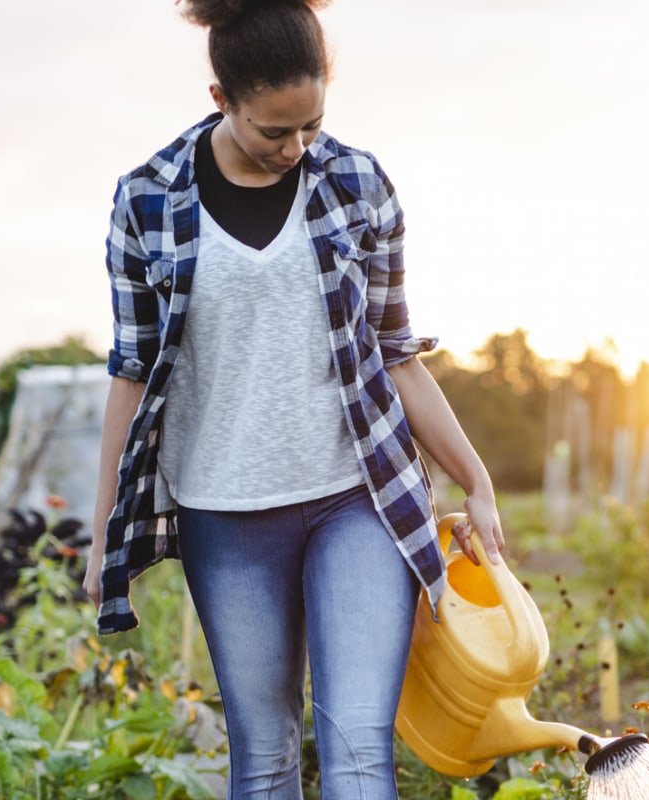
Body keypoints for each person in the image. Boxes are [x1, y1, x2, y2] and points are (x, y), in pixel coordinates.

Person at [80, 1, 506, 797]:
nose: (296, 147)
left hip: (357, 498)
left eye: (310, 124)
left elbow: (397, 353)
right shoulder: (147, 200)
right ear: (222, 100)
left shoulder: (357, 184)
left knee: (356, 749)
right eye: (273, 130)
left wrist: (476, 480)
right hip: (225, 512)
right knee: (266, 754)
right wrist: (103, 526)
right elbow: (131, 372)